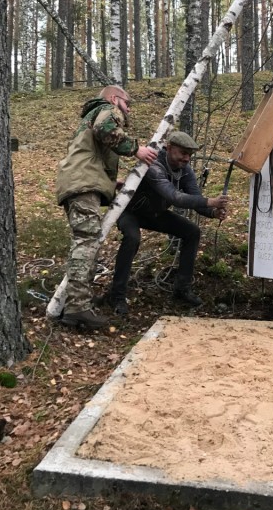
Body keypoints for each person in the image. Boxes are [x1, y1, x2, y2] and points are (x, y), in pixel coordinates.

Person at [56, 86, 157, 330]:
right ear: (115, 99)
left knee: (86, 241)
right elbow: (105, 130)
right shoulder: (108, 110)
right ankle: (77, 308)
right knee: (87, 241)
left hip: (78, 182)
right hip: (83, 185)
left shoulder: (90, 117)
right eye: (127, 103)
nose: (128, 109)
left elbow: (91, 155)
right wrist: (137, 150)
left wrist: (111, 184)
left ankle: (78, 305)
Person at [106, 131, 228, 312]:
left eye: (189, 155)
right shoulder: (154, 166)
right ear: (169, 148)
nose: (186, 159)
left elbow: (196, 199)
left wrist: (212, 212)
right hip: (130, 211)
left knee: (192, 232)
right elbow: (174, 196)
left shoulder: (185, 171)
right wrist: (210, 201)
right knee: (132, 238)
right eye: (183, 153)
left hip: (155, 214)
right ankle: (116, 296)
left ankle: (181, 289)